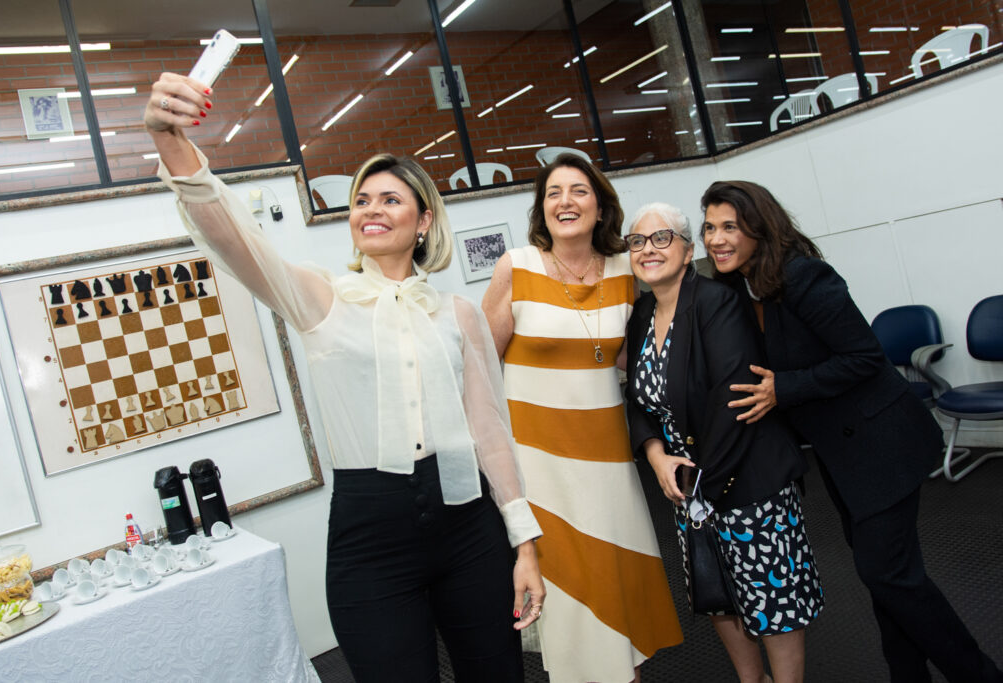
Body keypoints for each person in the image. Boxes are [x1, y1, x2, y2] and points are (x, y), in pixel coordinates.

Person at [143, 71, 545, 683]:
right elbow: (236, 238)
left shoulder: (457, 313)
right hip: (370, 536)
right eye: (361, 200)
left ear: (424, 222)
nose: (371, 209)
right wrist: (171, 141)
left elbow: (490, 434)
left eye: (390, 199)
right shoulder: (321, 299)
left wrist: (524, 544)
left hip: (470, 528)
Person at [701, 180, 1003, 683]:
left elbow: (864, 357)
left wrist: (786, 389)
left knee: (888, 575)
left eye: (730, 226)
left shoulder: (804, 276)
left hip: (884, 443)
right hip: (843, 456)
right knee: (888, 578)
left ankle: (980, 674)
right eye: (710, 227)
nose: (717, 238)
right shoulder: (742, 289)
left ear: (760, 225)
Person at [482, 155, 683, 682]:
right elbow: (477, 370)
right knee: (571, 606)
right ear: (541, 208)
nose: (565, 201)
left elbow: (631, 355)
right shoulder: (515, 267)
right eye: (553, 192)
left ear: (600, 207)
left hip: (608, 462)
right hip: (540, 466)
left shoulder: (624, 269)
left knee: (616, 592)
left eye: (579, 191)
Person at [624, 203, 823, 683]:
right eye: (637, 241)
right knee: (719, 593)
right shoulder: (642, 313)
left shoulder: (716, 302)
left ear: (689, 249)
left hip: (745, 481)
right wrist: (655, 456)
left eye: (662, 238)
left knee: (772, 601)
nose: (648, 249)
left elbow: (734, 403)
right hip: (685, 487)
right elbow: (635, 401)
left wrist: (701, 486)